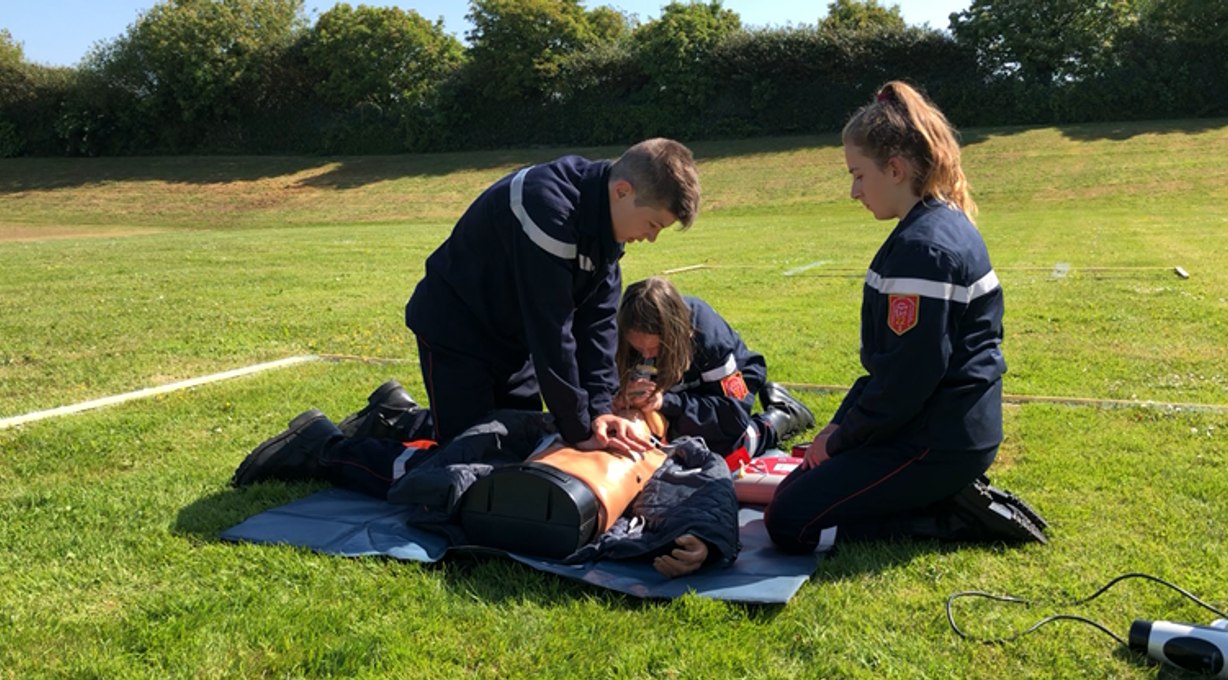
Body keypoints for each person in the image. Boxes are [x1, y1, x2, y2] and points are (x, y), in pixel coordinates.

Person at [764, 81, 1046, 554]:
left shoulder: (924, 247)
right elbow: (893, 372)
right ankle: (932, 496)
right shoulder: (931, 225)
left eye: (858, 175)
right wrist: (837, 429)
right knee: (797, 489)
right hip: (931, 423)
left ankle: (949, 513)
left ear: (894, 169)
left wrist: (839, 440)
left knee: (790, 519)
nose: (853, 191)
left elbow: (908, 380)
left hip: (938, 440)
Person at [401, 138, 701, 456]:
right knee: (465, 459)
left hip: (512, 342)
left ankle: (393, 418)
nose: (652, 238)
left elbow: (598, 324)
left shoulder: (607, 224)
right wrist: (578, 429)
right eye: (653, 224)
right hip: (457, 333)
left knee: (520, 450)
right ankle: (345, 452)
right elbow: (553, 332)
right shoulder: (546, 208)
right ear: (622, 191)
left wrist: (601, 412)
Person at [229, 404, 736, 579]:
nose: (633, 418)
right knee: (425, 474)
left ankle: (385, 417)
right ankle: (326, 446)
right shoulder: (571, 423)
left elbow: (713, 488)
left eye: (643, 416)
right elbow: (499, 432)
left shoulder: (674, 453)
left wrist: (703, 538)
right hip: (523, 458)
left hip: (559, 492)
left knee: (431, 473)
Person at [611, 276, 815, 462]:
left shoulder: (710, 338)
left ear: (676, 335)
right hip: (678, 397)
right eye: (638, 348)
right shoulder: (620, 336)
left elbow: (732, 416)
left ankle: (782, 416)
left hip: (728, 387)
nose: (646, 355)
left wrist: (668, 402)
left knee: (725, 454)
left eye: (655, 348)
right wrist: (618, 396)